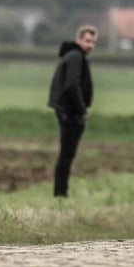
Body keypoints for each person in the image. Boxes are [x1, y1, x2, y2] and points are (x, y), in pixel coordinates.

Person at [47, 25, 97, 198]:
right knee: (66, 155)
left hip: (68, 111)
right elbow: (72, 85)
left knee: (66, 154)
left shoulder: (73, 55)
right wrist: (81, 110)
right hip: (70, 113)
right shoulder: (76, 56)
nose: (90, 45)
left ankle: (61, 192)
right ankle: (60, 193)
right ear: (79, 40)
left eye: (93, 42)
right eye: (87, 41)